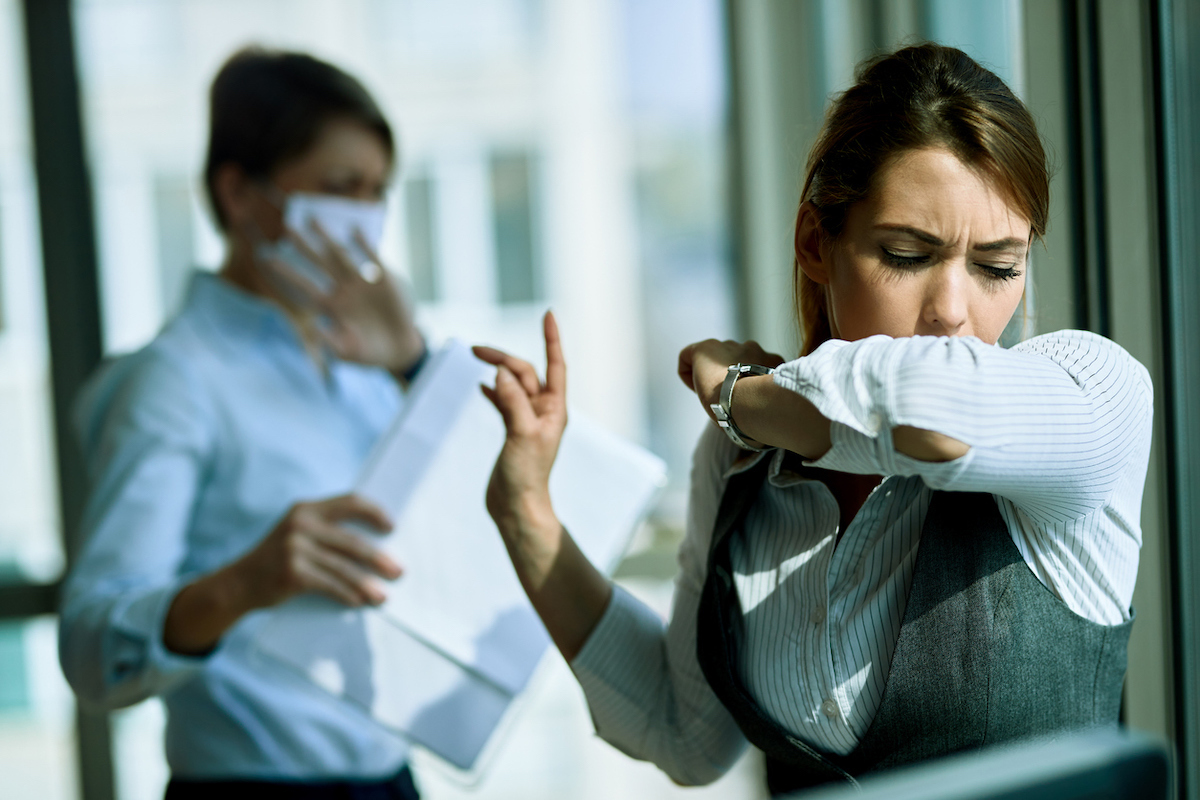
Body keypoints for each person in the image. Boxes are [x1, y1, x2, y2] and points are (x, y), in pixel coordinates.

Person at [474, 43, 1153, 796]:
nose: (955, 311)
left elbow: (931, 412)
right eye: (906, 254)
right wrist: (526, 513)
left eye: (998, 267)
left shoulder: (1094, 396)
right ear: (813, 244)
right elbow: (683, 731)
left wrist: (739, 393)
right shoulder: (740, 462)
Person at [59, 47, 425, 799]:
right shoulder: (177, 379)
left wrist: (413, 362)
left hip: (393, 777)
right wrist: (246, 582)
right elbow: (93, 649)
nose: (364, 217)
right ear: (240, 194)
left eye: (377, 191)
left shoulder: (367, 367)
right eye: (339, 188)